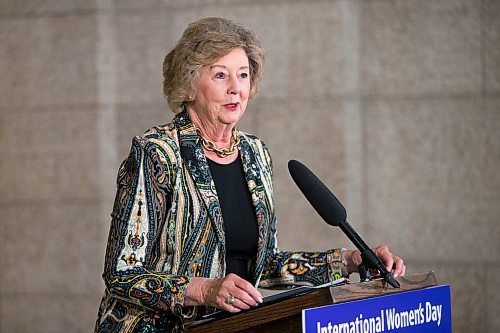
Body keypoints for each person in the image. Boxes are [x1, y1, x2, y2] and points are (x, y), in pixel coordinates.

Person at [94, 17, 405, 333]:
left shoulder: (255, 153)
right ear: (188, 83)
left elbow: (266, 265)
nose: (235, 88)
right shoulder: (158, 153)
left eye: (243, 75)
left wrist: (350, 261)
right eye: (220, 75)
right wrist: (206, 289)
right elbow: (121, 273)